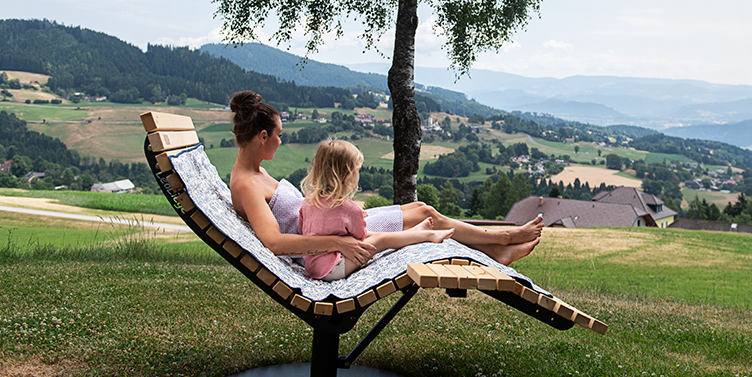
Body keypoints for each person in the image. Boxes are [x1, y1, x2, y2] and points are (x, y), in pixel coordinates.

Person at [228, 91, 542, 270]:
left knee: (421, 208)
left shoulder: (256, 173)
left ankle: (496, 246)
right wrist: (338, 242)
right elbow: (275, 242)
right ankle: (500, 240)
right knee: (426, 215)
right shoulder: (246, 184)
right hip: (327, 240)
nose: (281, 142)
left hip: (330, 223)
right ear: (263, 136)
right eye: (279, 136)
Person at [298, 139, 454, 280]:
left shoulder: (309, 202)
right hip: (333, 269)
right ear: (348, 174)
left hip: (313, 266)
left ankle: (415, 233)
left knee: (376, 236)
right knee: (381, 240)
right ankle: (428, 235)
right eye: (356, 169)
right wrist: (357, 216)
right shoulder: (348, 209)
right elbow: (360, 235)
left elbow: (302, 228)